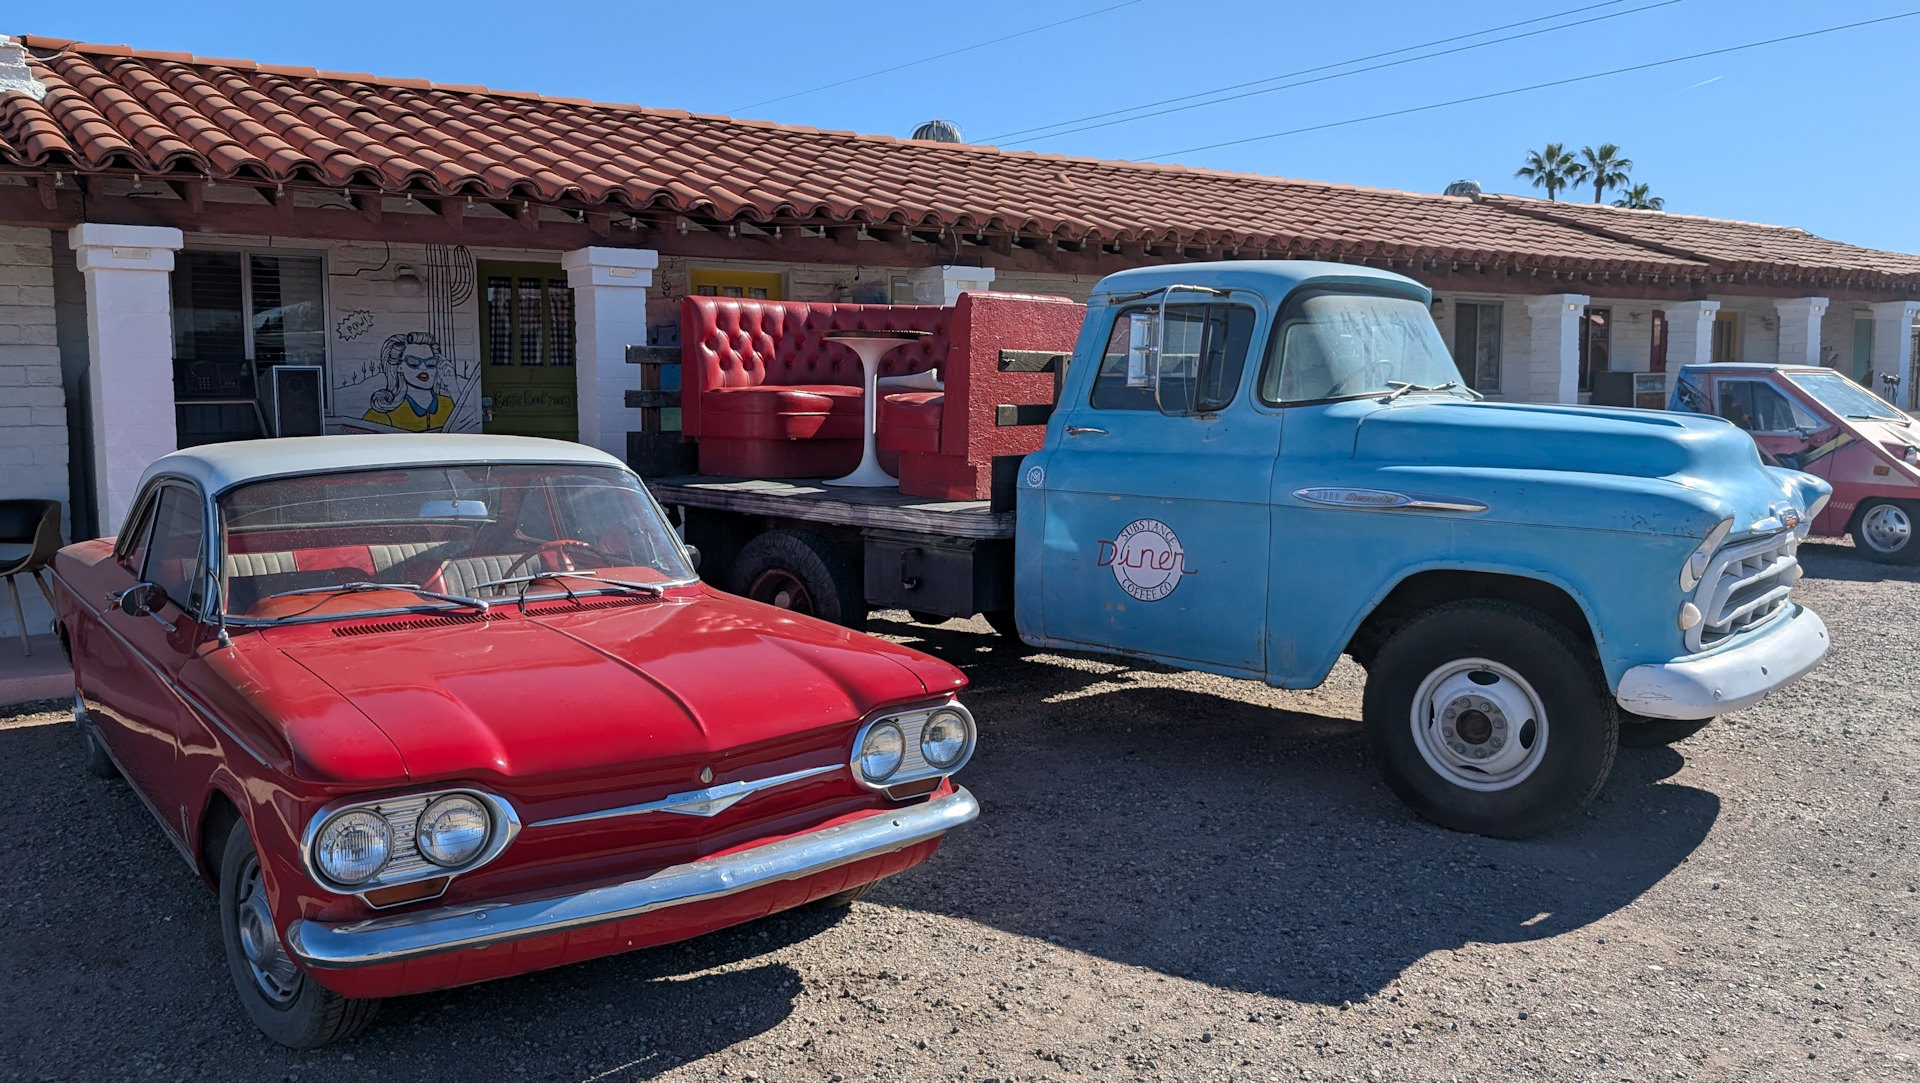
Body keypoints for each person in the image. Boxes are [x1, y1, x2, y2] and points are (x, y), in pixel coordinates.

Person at [363, 332, 454, 432]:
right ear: (399, 367)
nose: (423, 368)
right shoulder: (382, 415)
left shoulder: (449, 405)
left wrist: (452, 385)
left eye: (430, 363)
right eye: (413, 362)